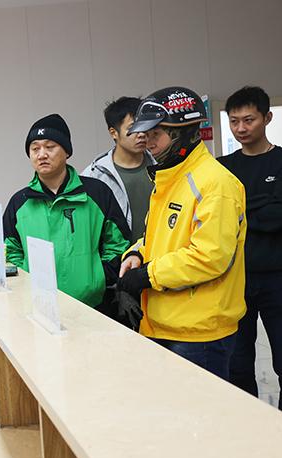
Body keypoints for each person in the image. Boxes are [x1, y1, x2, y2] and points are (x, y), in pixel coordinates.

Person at [119, 86, 246, 380]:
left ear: (185, 133)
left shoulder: (215, 183)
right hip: (164, 324)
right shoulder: (170, 178)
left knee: (201, 409)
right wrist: (136, 254)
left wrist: (148, 275)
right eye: (145, 133)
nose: (148, 142)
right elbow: (158, 237)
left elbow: (210, 256)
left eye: (156, 134)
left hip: (199, 334)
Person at [3, 113, 131, 310]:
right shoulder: (19, 202)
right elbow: (10, 250)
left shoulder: (96, 193)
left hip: (93, 306)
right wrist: (27, 277)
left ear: (67, 152)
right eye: (35, 148)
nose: (42, 154)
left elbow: (118, 243)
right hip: (39, 307)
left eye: (50, 147)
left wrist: (97, 278)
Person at [217, 86, 282, 407]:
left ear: (267, 118)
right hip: (234, 279)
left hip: (277, 278)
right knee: (237, 363)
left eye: (249, 120)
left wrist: (243, 209)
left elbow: (275, 218)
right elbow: (220, 219)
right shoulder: (222, 167)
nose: (241, 128)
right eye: (234, 121)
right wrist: (263, 204)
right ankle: (248, 423)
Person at [82, 96, 155, 243]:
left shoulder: (162, 165)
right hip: (119, 255)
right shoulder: (94, 175)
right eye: (132, 128)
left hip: (161, 254)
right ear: (113, 133)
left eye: (144, 126)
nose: (141, 134)